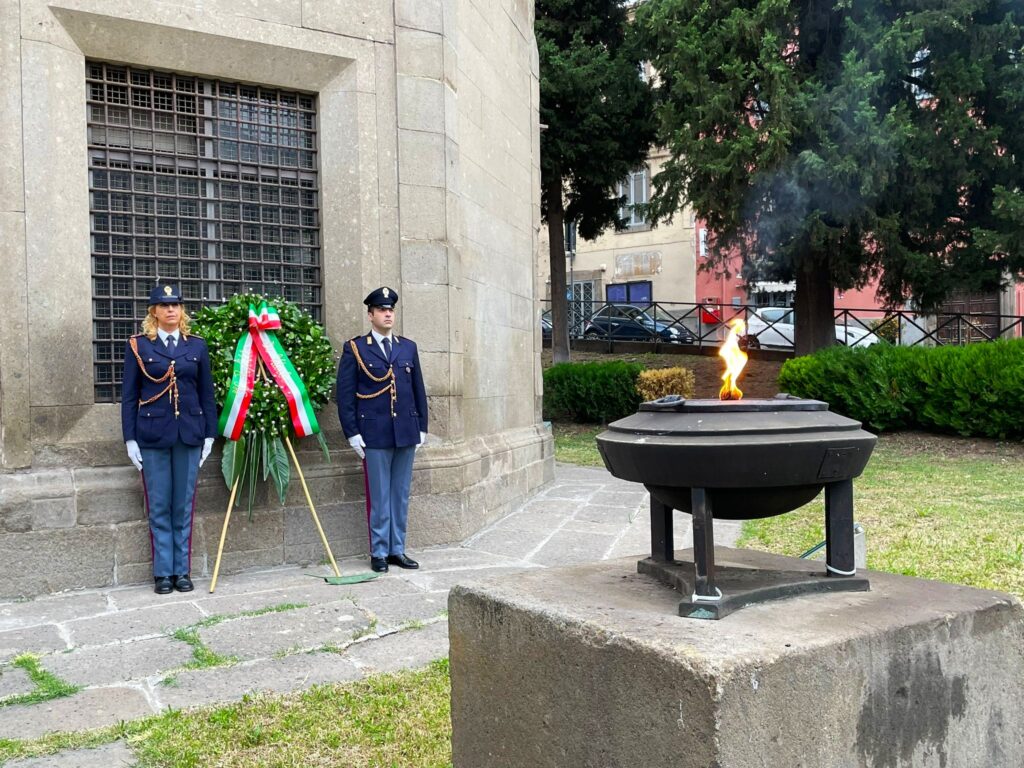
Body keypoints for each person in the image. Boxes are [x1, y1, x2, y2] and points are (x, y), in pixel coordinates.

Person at [122, 284, 217, 594]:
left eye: (175, 304)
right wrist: (130, 439)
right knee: (160, 504)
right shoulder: (140, 346)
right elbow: (129, 396)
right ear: (154, 311)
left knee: (183, 505)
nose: (171, 310)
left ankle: (182, 570)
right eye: (163, 305)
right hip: (152, 435)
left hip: (189, 433)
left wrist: (209, 435)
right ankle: (163, 572)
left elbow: (206, 393)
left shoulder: (196, 346)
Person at [337, 287, 428, 573]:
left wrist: (422, 425)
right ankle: (378, 551)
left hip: (405, 430)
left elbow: (418, 390)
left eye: (391, 310)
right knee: (379, 494)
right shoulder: (356, 348)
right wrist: (352, 433)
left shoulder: (407, 347)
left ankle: (397, 549)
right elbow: (345, 393)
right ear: (371, 314)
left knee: (400, 493)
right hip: (373, 433)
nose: (388, 314)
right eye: (381, 310)